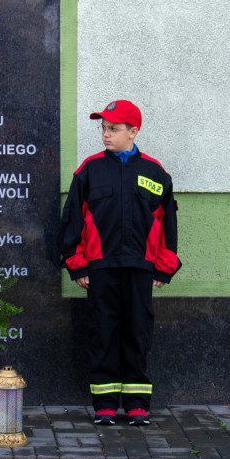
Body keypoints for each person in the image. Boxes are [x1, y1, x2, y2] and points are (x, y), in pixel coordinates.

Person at [57, 99, 181, 426]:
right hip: (100, 268)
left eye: (113, 129)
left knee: (137, 333)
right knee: (103, 333)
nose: (106, 135)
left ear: (133, 132)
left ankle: (137, 403)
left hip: (140, 269)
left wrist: (164, 266)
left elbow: (167, 222)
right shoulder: (89, 171)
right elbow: (72, 221)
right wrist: (77, 265)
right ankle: (105, 404)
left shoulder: (155, 172)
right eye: (103, 129)